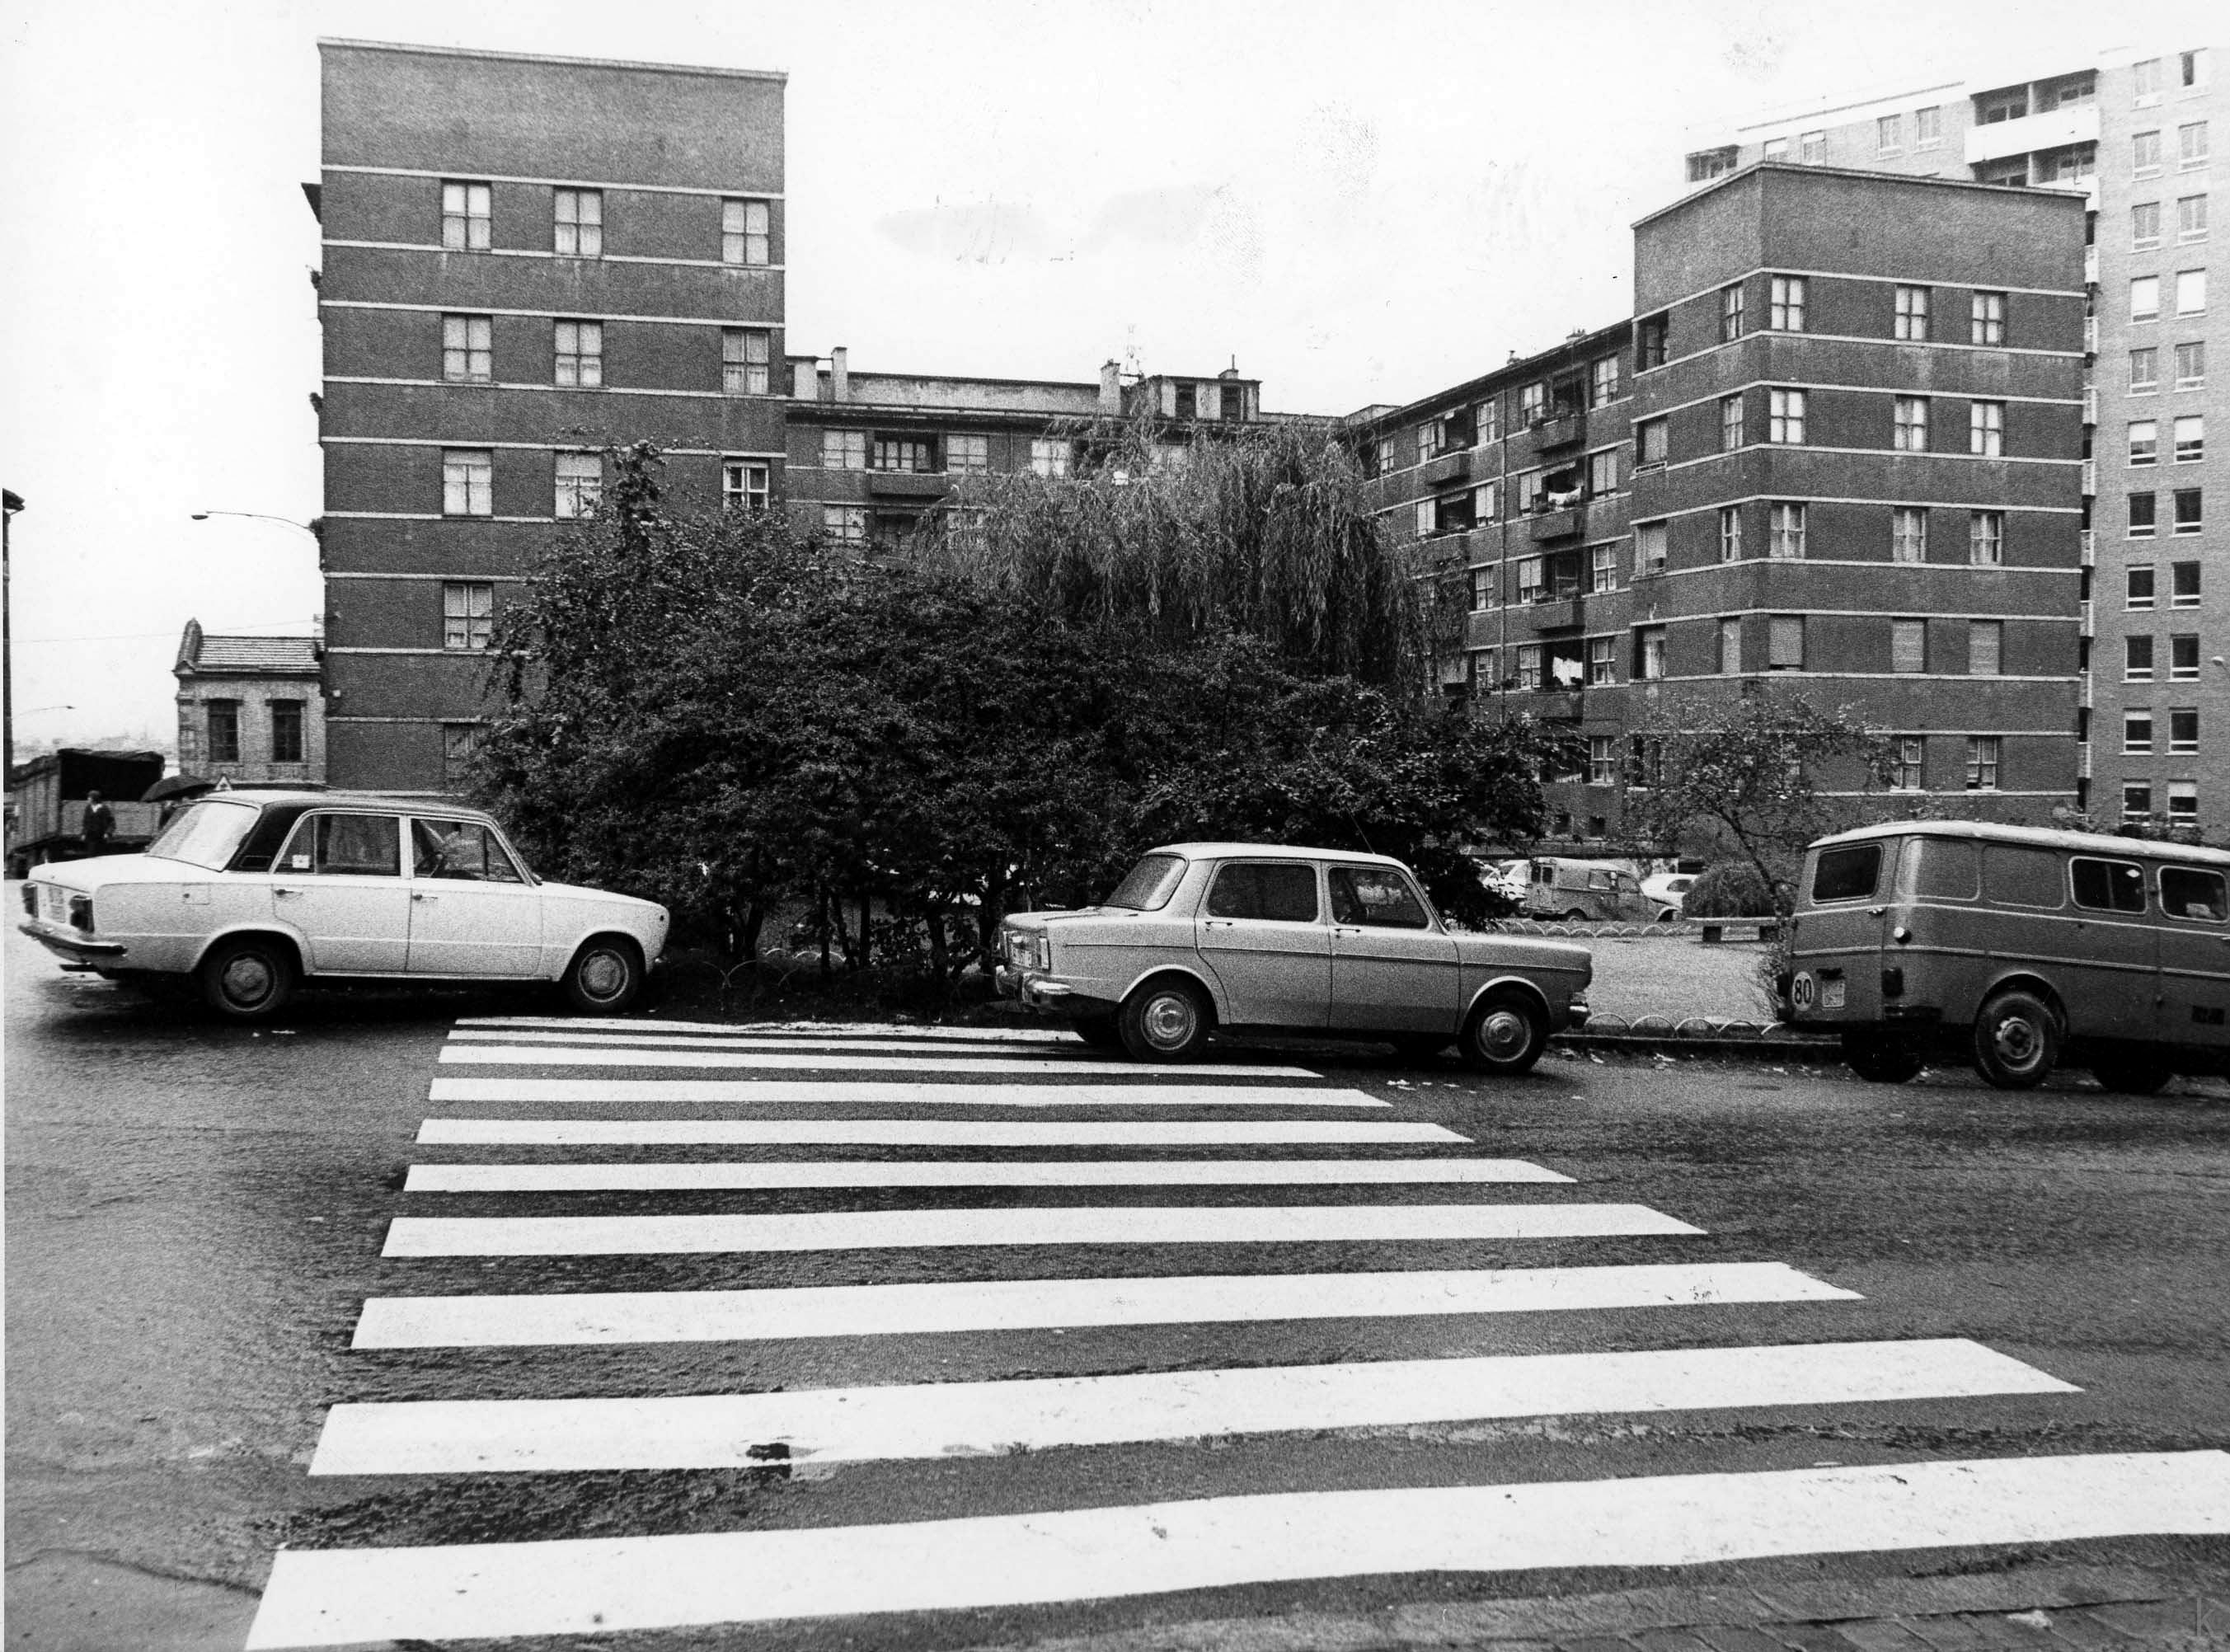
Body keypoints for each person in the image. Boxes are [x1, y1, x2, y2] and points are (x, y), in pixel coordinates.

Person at [81, 790, 115, 855]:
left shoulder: (104, 808)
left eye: (89, 797)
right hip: (91, 836)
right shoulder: (88, 808)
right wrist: (84, 833)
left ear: (94, 798)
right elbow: (85, 822)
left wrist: (108, 833)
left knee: (101, 855)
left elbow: (111, 822)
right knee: (91, 854)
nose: (88, 799)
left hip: (101, 836)